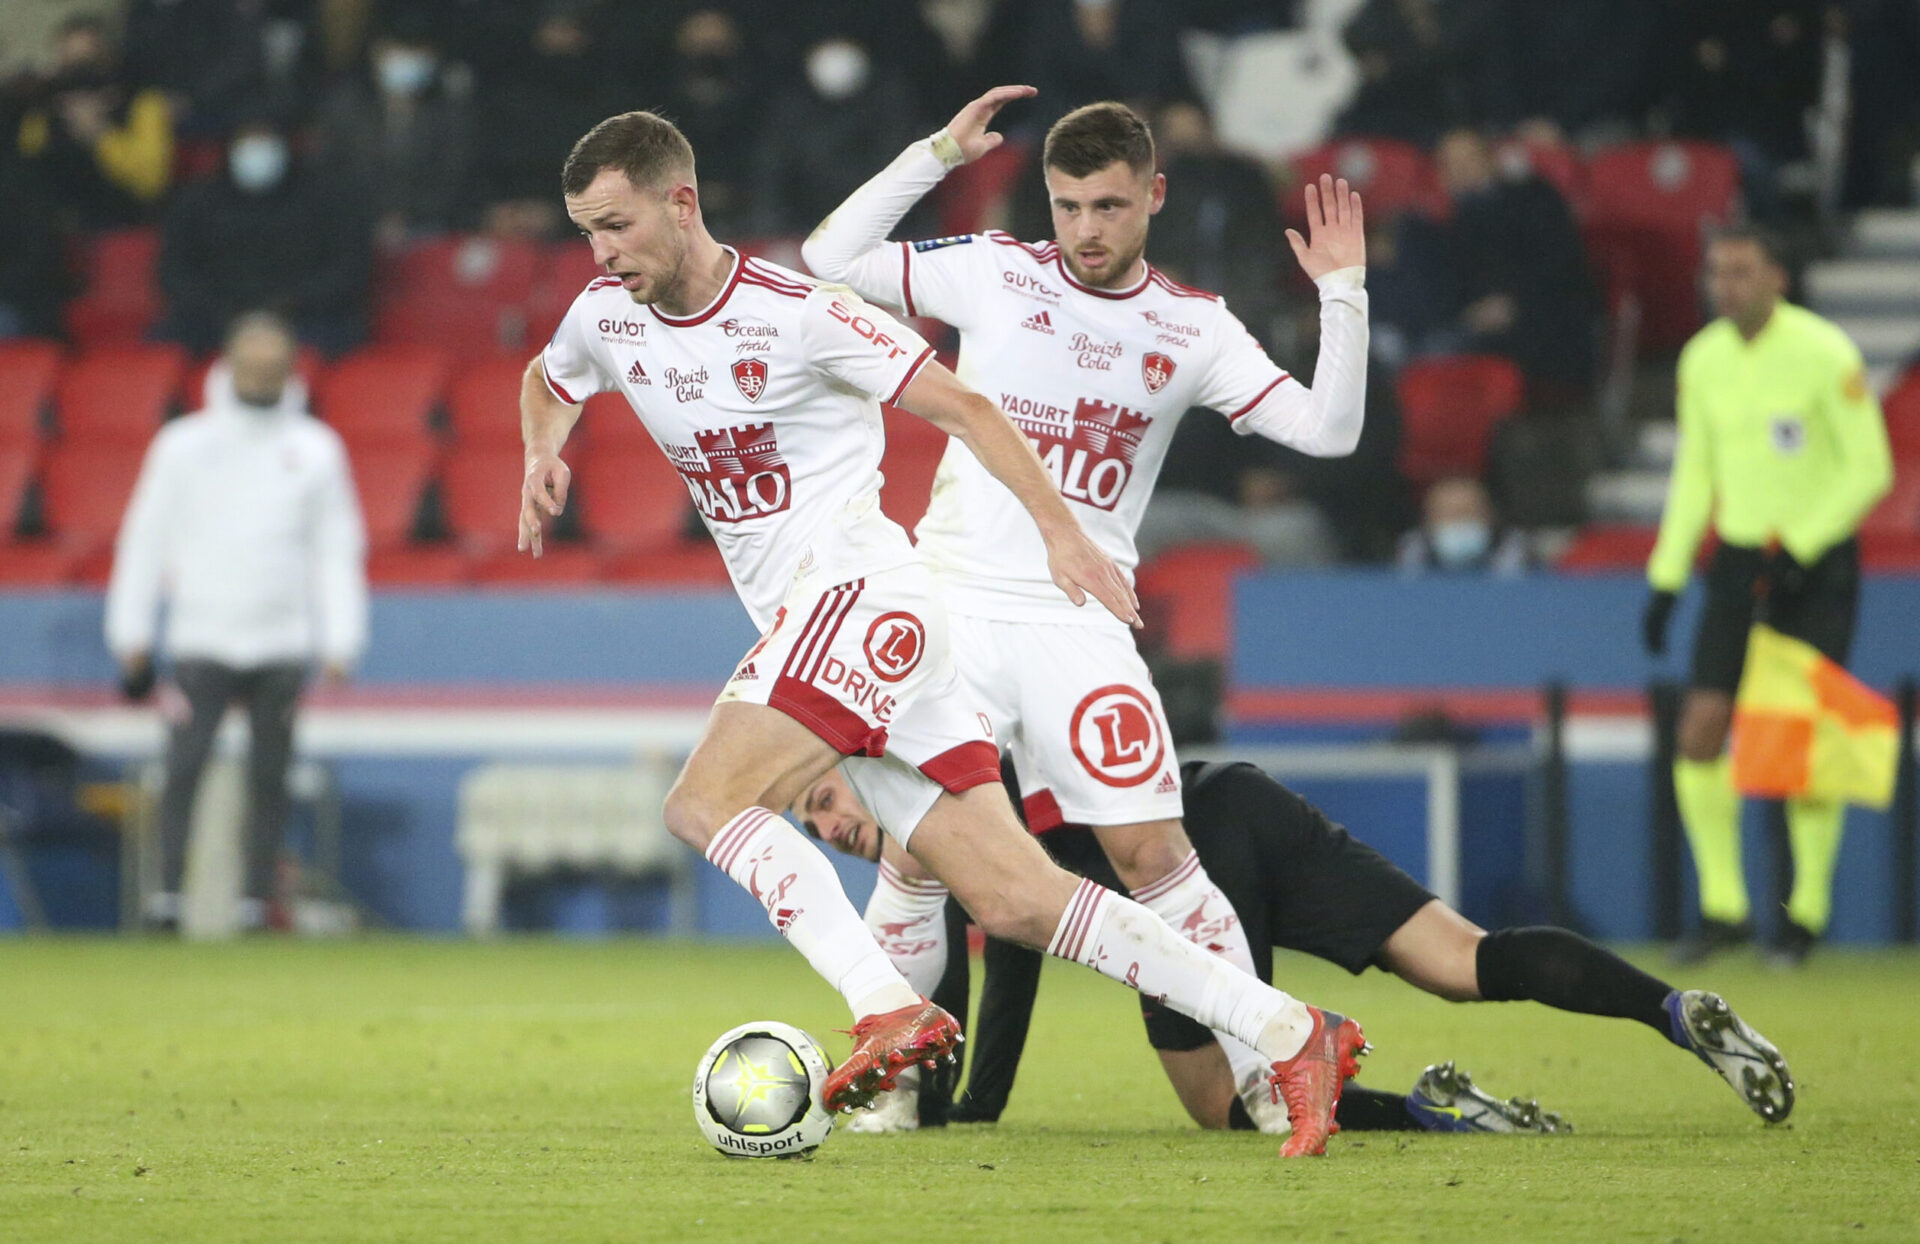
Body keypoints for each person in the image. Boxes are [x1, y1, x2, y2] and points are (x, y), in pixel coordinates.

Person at [518, 110, 1368, 1156]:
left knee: (704, 800)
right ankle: (1290, 1027)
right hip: (844, 626)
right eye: (587, 233)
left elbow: (969, 407)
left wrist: (1063, 538)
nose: (602, 252)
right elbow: (550, 378)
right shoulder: (608, 312)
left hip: (866, 598)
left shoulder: (801, 314)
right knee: (1018, 898)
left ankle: (885, 1007)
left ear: (679, 201)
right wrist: (538, 452)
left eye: (614, 225)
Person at [802, 88, 1368, 1128]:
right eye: (1067, 206)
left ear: (1153, 196)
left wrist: (1343, 294)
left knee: (1152, 852)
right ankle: (896, 1095)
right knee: (918, 850)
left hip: (1079, 618)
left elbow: (1329, 431)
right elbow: (830, 257)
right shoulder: (996, 271)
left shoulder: (1192, 326)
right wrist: (934, 150)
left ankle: (1272, 1067)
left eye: (1107, 206)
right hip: (955, 605)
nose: (1084, 230)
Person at [795, 761, 1795, 1132]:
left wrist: (975, 1106)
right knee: (1464, 959)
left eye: (824, 799)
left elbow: (1005, 946)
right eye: (811, 822)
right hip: (1237, 796)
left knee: (1225, 1101)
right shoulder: (972, 749)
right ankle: (1676, 1010)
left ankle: (1430, 1109)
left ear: (849, 767)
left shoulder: (931, 803)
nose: (830, 824)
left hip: (1175, 866)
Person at [1641, 226, 1893, 968]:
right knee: (1700, 728)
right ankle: (1726, 908)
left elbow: (1868, 469)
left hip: (1814, 565)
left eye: (1742, 272)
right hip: (1741, 555)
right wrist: (1665, 575)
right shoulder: (1703, 358)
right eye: (1718, 272)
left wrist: (1806, 544)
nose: (1727, 287)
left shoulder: (1825, 353)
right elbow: (1695, 473)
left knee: (1800, 744)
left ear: (1777, 276)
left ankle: (1806, 913)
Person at [105, 312, 368, 932]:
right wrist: (131, 630)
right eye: (251, 364)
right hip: (203, 632)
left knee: (269, 776)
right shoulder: (184, 445)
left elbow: (337, 547)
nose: (261, 375)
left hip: (280, 639)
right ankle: (167, 897)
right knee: (185, 767)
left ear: (289, 370)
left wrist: (342, 636)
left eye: (273, 365)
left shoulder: (314, 449)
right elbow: (144, 541)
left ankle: (255, 901)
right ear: (228, 363)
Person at [158, 113, 374, 354]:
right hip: (215, 318)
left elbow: (349, 267)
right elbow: (174, 270)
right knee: (165, 347)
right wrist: (223, 307)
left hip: (307, 318)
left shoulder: (328, 198)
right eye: (248, 142)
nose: (257, 152)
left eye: (266, 142)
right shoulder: (197, 202)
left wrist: (290, 302)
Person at [14, 13, 173, 227]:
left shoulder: (142, 102)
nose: (80, 75)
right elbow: (26, 169)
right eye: (70, 63)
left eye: (88, 62)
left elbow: (150, 182)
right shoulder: (44, 109)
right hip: (56, 226)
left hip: (122, 221)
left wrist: (99, 134)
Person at [1396, 474, 1530, 574]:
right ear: (1428, 520)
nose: (1459, 522)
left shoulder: (1512, 547)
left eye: (1468, 512)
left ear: (1489, 516)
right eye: (1450, 514)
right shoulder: (1414, 549)